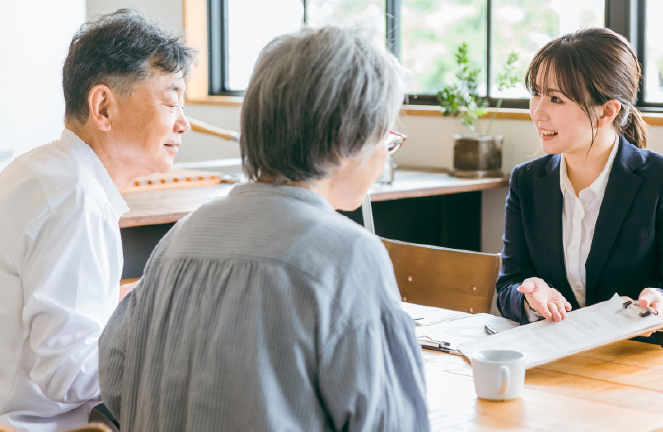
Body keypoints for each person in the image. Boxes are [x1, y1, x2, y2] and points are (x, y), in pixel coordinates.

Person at [98, 26, 429, 432]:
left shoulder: (181, 238)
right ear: (347, 139)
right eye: (386, 137)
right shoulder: (348, 256)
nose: (384, 154)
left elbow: (114, 379)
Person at [495, 28, 663, 432]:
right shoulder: (527, 182)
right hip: (572, 380)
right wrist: (530, 296)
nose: (537, 111)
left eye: (556, 98)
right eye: (536, 93)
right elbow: (508, 285)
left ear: (607, 111)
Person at [0, 10, 194, 431]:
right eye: (171, 101)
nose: (184, 122)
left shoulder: (42, 170)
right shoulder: (76, 202)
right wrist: (165, 346)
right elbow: (67, 375)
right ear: (103, 106)